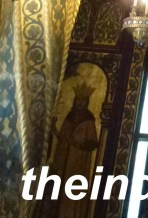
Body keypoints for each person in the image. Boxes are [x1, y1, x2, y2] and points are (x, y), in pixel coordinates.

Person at [50, 83, 99, 217]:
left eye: (83, 100)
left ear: (87, 102)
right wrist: (54, 128)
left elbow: (92, 143)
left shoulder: (88, 119)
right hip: (64, 161)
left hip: (77, 164)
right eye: (78, 100)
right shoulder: (69, 117)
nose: (80, 103)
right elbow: (62, 138)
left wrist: (77, 144)